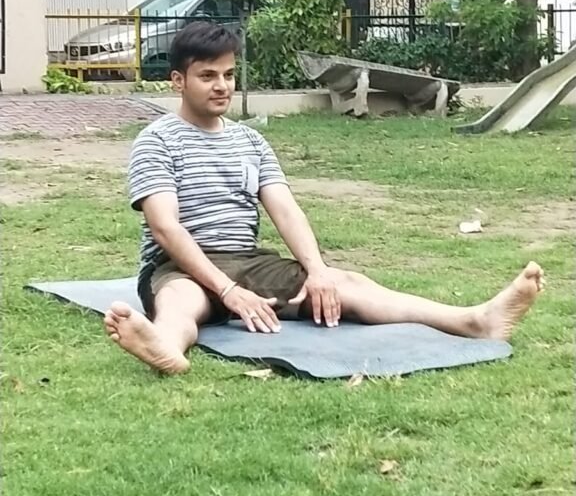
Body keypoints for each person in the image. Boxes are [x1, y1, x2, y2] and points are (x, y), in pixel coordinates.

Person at [104, 22, 544, 375]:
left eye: (228, 75)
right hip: (179, 267)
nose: (221, 86)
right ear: (178, 81)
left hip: (249, 262)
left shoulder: (250, 141)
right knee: (181, 301)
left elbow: (285, 210)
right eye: (207, 76)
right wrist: (228, 291)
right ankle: (166, 347)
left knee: (344, 283)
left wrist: (316, 272)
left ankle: (475, 321)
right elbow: (165, 227)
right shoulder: (157, 141)